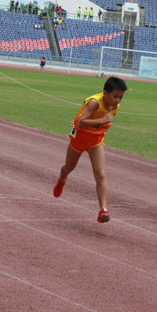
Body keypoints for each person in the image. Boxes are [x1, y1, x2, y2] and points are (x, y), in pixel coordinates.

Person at [53, 77, 128, 223]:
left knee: (100, 174)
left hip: (95, 141)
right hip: (79, 139)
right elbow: (81, 122)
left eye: (121, 97)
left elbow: (103, 123)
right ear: (105, 93)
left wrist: (100, 124)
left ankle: (103, 210)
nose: (118, 100)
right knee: (68, 167)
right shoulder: (94, 103)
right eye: (115, 96)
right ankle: (61, 179)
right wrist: (100, 120)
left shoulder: (115, 106)